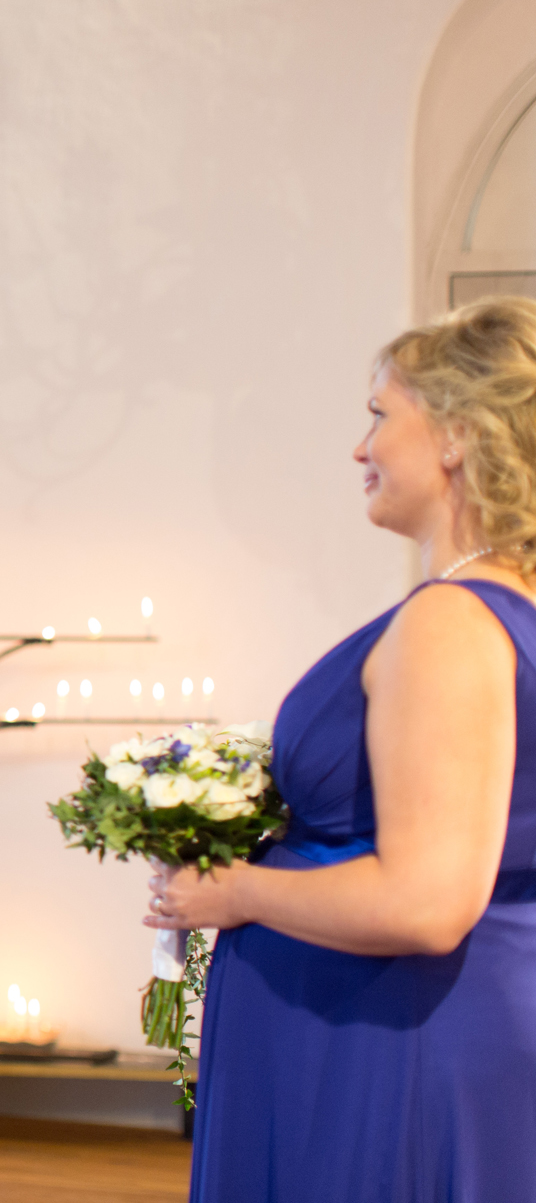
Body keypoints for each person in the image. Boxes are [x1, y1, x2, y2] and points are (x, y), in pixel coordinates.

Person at [154, 297, 536, 1200]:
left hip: (396, 1045)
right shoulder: (506, 606)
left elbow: (428, 900)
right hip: (407, 1027)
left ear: (453, 434)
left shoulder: (452, 619)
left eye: (378, 416)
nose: (360, 449)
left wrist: (233, 889)